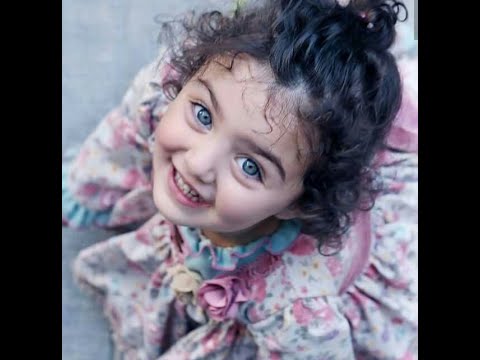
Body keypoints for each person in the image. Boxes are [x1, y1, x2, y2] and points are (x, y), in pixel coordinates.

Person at [62, 0, 418, 358]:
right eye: (202, 115)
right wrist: (84, 188)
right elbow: (124, 133)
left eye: (250, 166)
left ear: (299, 203)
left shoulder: (296, 306)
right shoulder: (164, 91)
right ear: (186, 78)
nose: (199, 163)